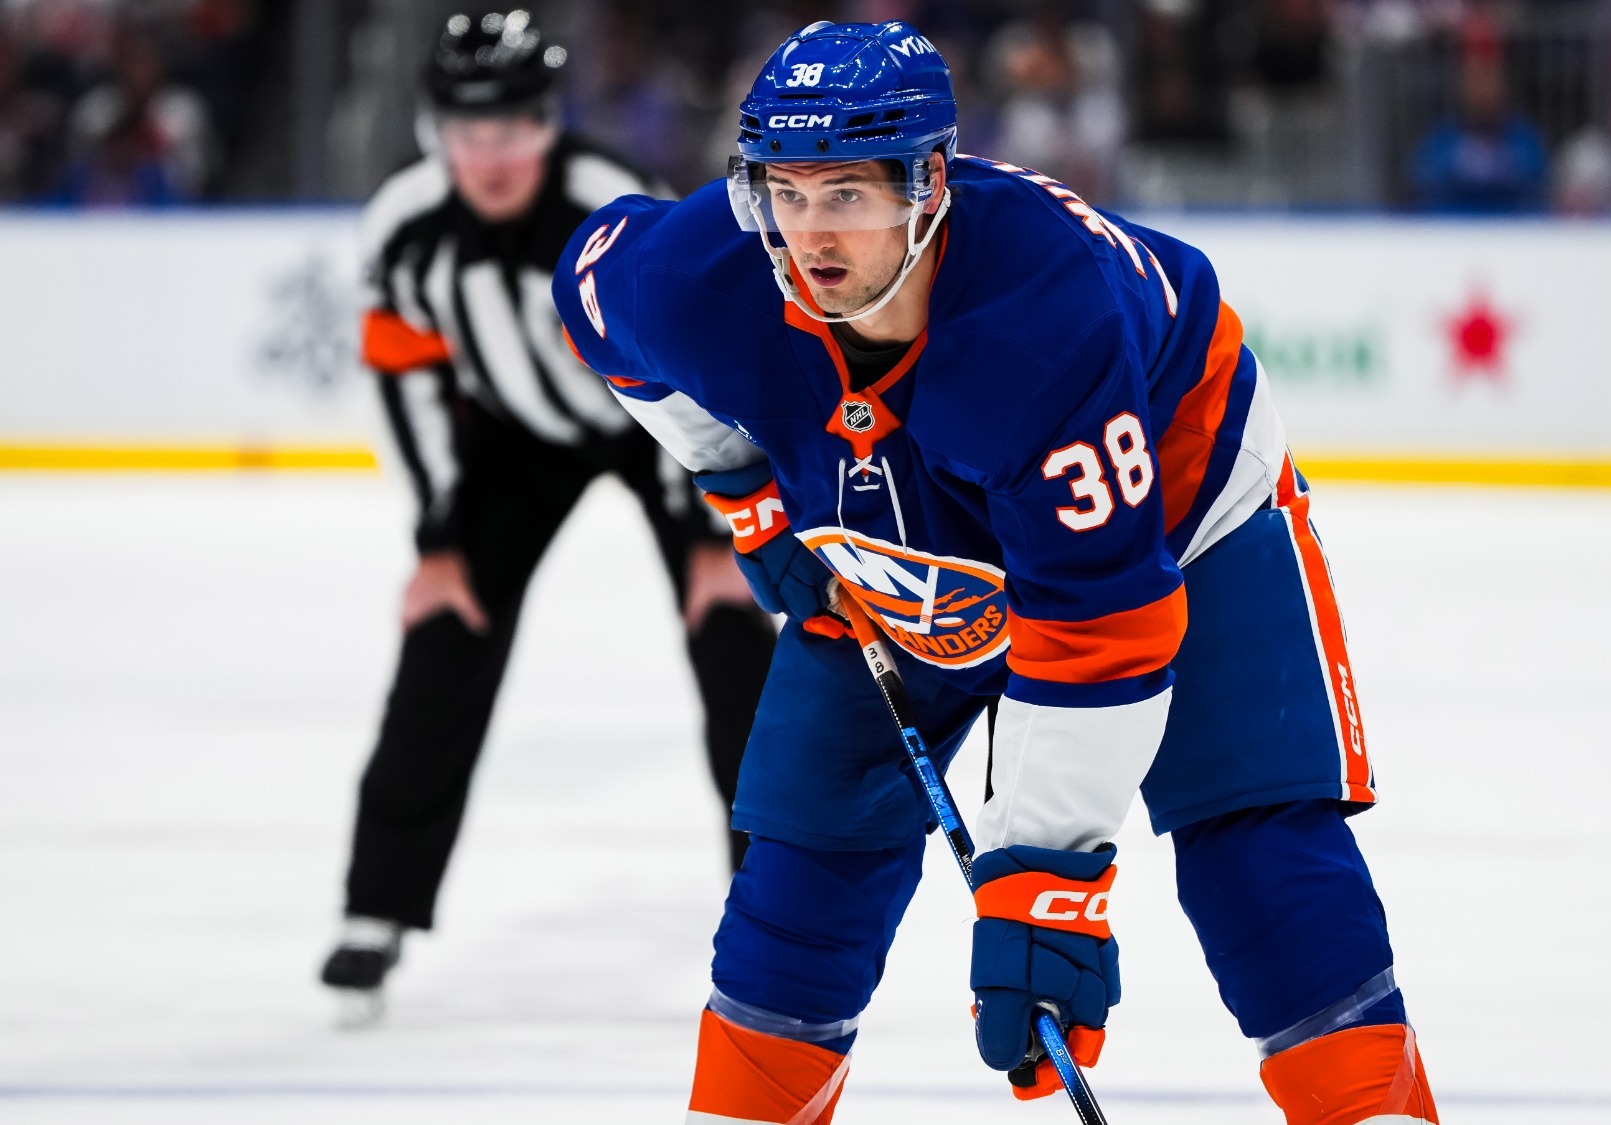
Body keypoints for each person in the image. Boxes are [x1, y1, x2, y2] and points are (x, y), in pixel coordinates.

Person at [555, 20, 1439, 1124]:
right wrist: (748, 495)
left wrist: (1045, 892)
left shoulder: (1042, 320)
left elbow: (1098, 631)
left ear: (928, 186)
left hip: (1177, 512)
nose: (809, 236)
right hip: (889, 525)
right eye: (784, 192)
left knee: (1256, 843)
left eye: (848, 195)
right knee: (807, 858)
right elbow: (593, 305)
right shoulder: (704, 275)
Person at [319, 10, 775, 1011]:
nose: (491, 155)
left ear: (549, 123)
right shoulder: (404, 226)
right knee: (444, 629)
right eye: (467, 130)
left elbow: (691, 368)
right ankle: (375, 908)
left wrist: (716, 531)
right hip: (514, 437)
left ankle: (771, 905)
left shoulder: (608, 205)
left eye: (513, 128)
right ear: (434, 130)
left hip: (657, 428)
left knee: (730, 628)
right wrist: (438, 539)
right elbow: (405, 382)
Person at [1409, 56, 1547, 213]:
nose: (1482, 91)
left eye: (1489, 82)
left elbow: (1536, 177)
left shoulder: (1522, 137)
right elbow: (1423, 178)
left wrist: (1496, 166)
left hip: (1510, 218)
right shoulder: (1443, 137)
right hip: (1452, 218)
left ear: (1504, 88)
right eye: (1475, 82)